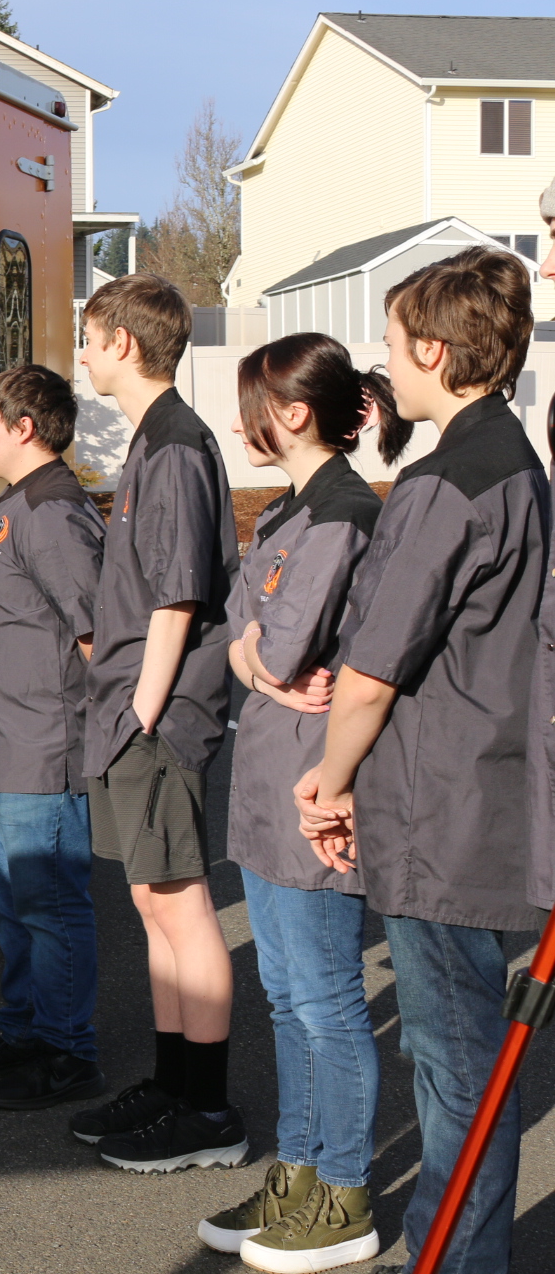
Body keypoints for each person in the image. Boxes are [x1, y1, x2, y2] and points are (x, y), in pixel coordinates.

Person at [297, 246, 544, 1273]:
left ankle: (447, 1256)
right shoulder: (514, 459)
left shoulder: (447, 481)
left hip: (442, 814)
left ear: (437, 351)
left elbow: (372, 671)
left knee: (458, 1074)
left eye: (393, 346)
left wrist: (327, 778)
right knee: (467, 1064)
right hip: (479, 796)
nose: (384, 366)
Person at [196, 334, 411, 1272]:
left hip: (317, 793)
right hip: (269, 788)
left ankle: (346, 1193)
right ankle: (303, 1171)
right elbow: (242, 628)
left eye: (253, 404)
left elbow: (272, 654)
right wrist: (253, 652)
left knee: (325, 1001)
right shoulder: (290, 511)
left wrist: (255, 655)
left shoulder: (344, 517)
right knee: (286, 1000)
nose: (242, 422)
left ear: (292, 413)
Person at [67, 273, 246, 1173]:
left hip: (159, 718)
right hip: (134, 712)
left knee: (183, 904)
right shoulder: (153, 441)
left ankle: (208, 1111)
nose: (84, 354)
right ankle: (172, 1082)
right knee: (151, 902)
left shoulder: (176, 446)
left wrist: (141, 714)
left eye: (90, 338)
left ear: (125, 344)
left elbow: (177, 599)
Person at [0, 363, 109, 1110]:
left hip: (39, 746)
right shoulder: (15, 505)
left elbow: (98, 635)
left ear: (24, 428)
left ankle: (68, 1052)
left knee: (50, 905)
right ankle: (24, 1030)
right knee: (10, 902)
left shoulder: (54, 513)